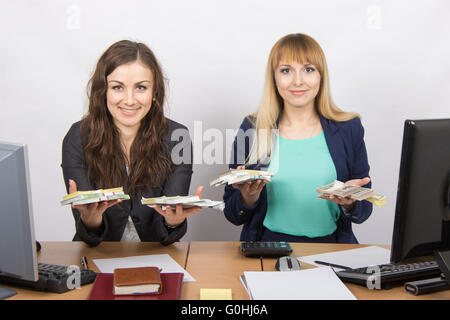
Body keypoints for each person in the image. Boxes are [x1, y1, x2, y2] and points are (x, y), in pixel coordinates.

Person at [223, 33, 372, 243]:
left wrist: (350, 202)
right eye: (286, 71)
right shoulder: (252, 128)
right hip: (267, 247)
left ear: (321, 76)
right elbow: (232, 214)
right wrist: (248, 198)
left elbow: (364, 211)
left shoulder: (349, 128)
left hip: (333, 248)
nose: (298, 81)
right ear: (274, 78)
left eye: (308, 69)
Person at [61, 40, 202, 246]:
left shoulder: (177, 137)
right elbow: (90, 236)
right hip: (97, 255)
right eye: (117, 87)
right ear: (103, 91)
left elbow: (167, 230)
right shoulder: (77, 137)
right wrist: (91, 221)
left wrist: (172, 222)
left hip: (156, 257)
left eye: (141, 87)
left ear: (155, 92)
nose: (129, 100)